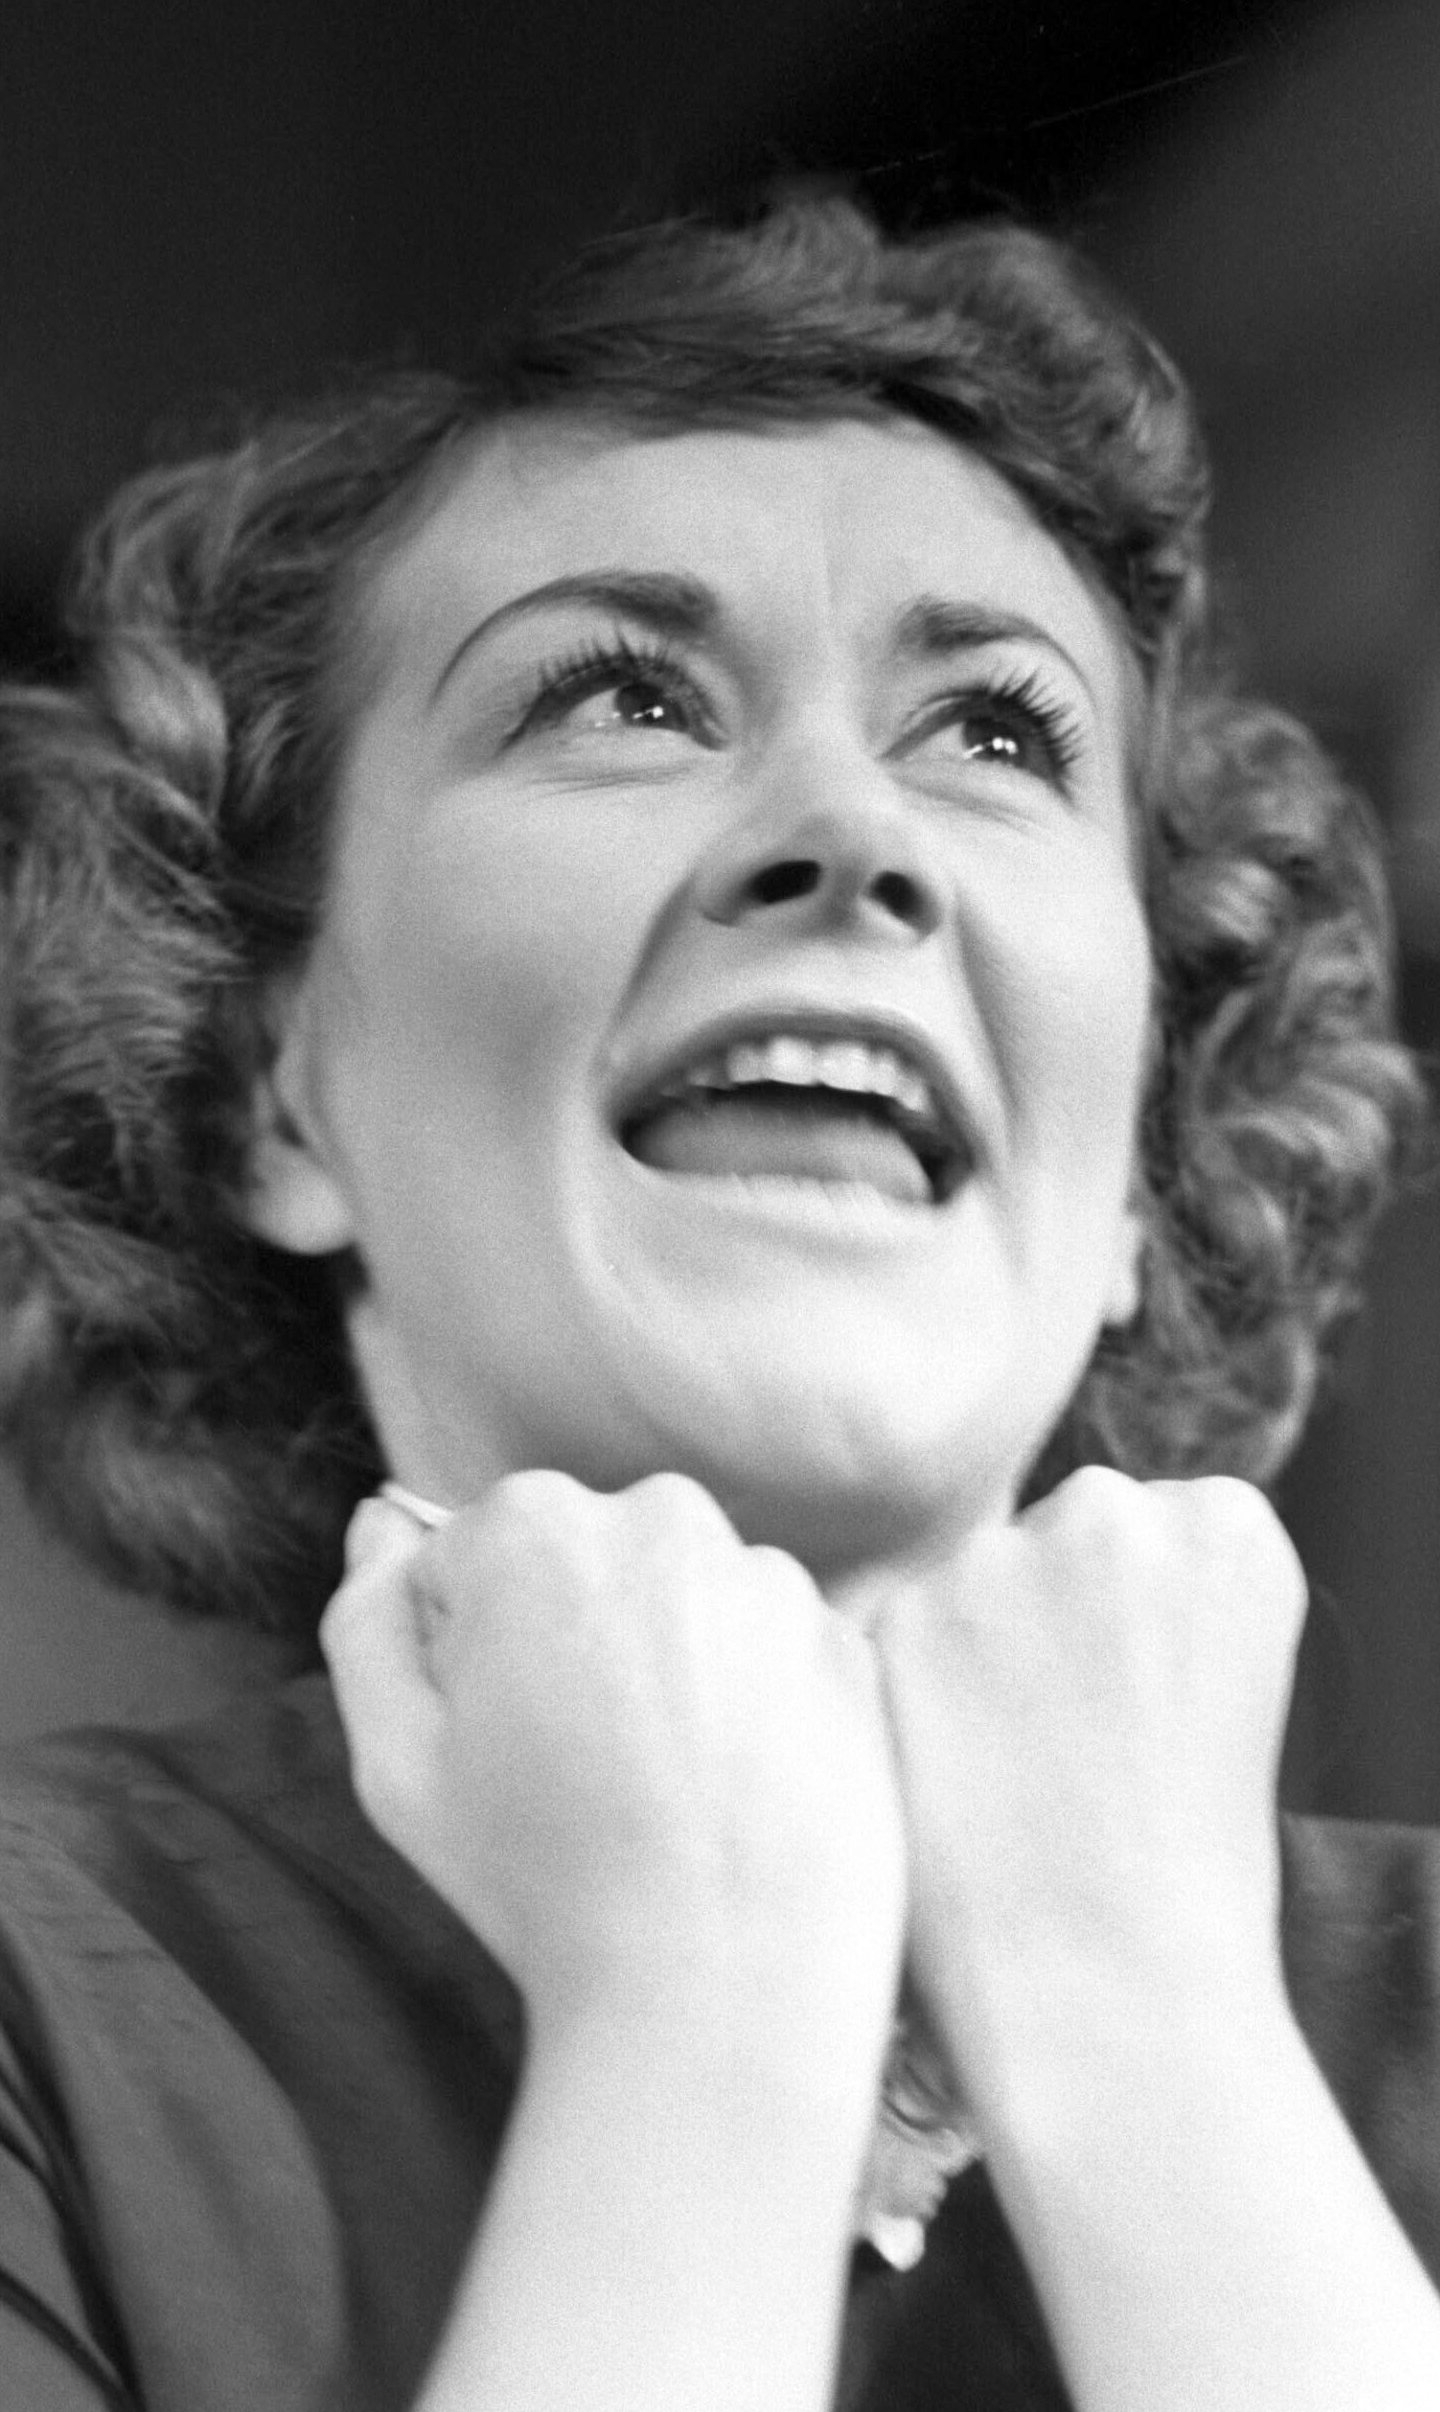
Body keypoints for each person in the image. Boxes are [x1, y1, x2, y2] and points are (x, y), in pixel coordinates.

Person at [0, 191, 1436, 2412]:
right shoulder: (46, 2011)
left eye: (998, 738)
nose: (853, 834)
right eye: (625, 696)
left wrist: (1143, 2019)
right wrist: (694, 2003)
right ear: (270, 1085)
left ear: (1148, 1140)